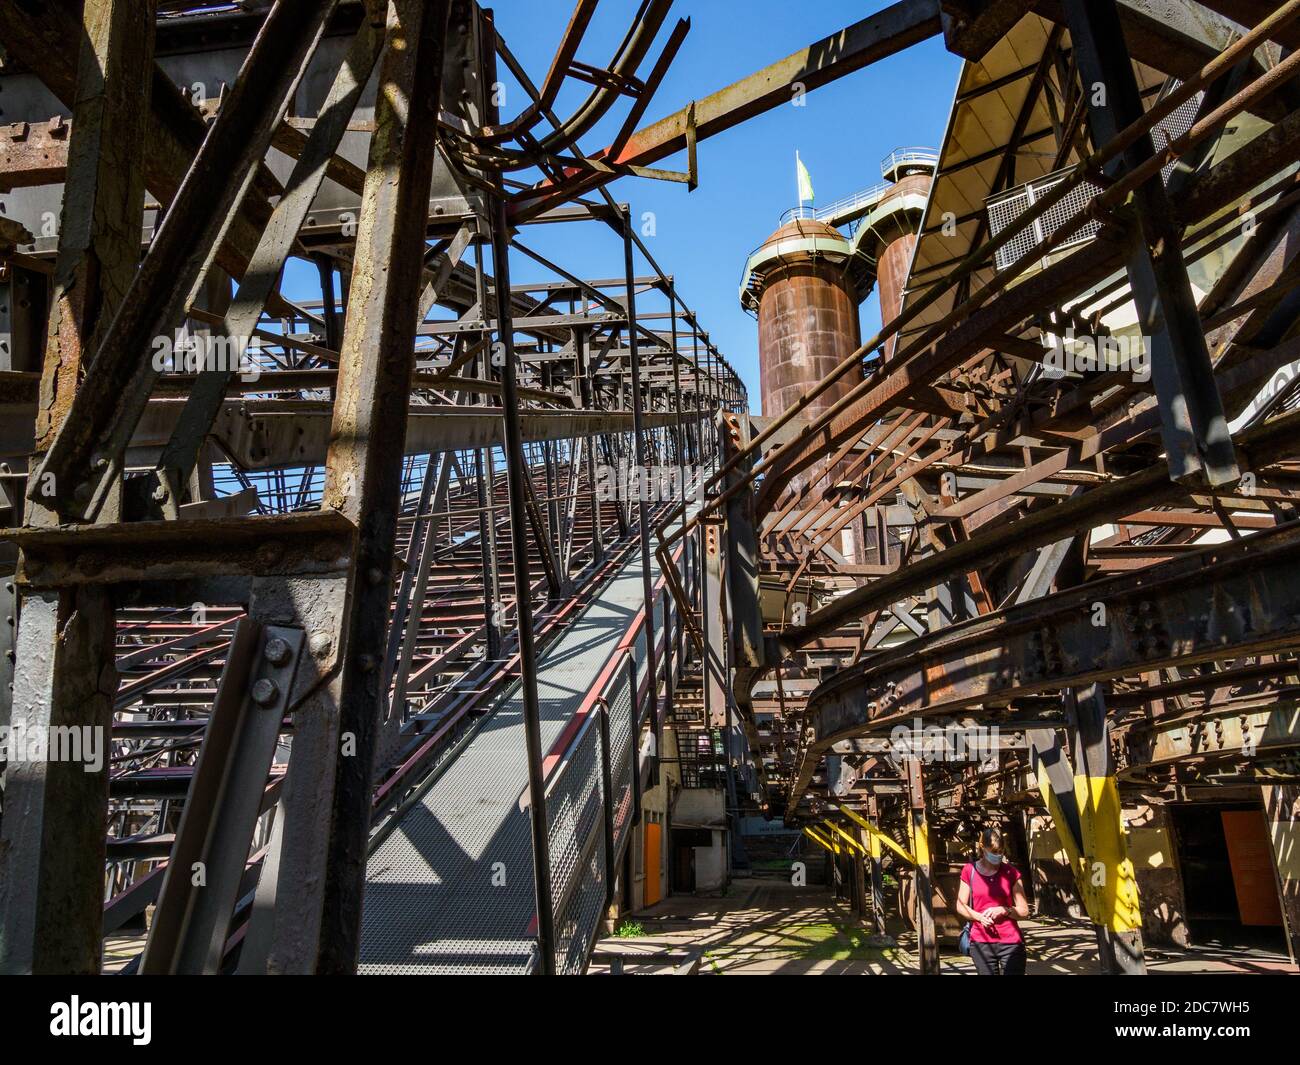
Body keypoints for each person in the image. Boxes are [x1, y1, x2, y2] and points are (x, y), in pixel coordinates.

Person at [956, 827, 1030, 975]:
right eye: (994, 851)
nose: (998, 856)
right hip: (981, 942)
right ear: (982, 848)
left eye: (1000, 851)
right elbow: (960, 905)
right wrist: (979, 917)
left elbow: (1024, 911)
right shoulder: (969, 870)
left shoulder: (1011, 873)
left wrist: (1005, 910)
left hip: (1011, 942)